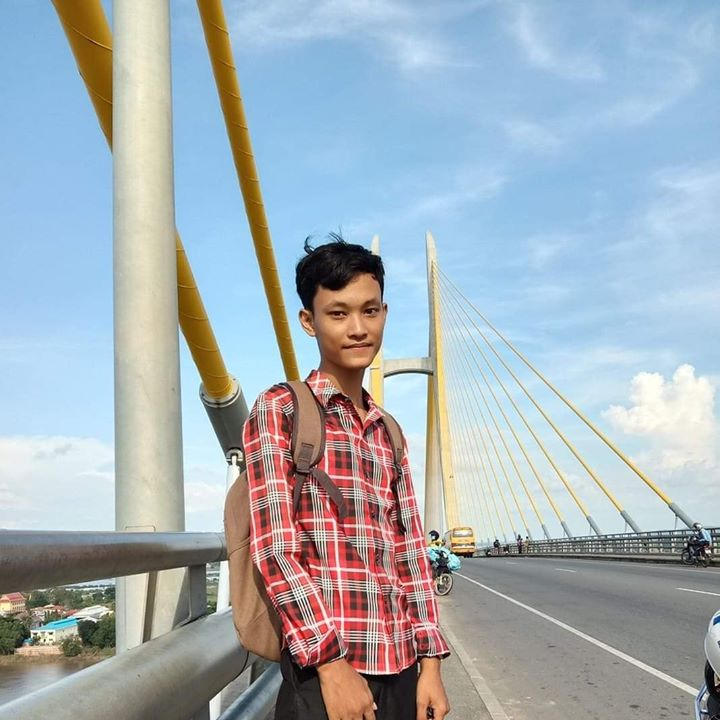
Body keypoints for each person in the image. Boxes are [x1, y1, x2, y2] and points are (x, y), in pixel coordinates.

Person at [243, 237, 451, 720]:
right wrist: (330, 665)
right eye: (338, 314)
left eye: (370, 311)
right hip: (327, 675)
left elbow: (410, 553)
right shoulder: (282, 410)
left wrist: (431, 664)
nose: (358, 329)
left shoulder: (388, 430)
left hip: (402, 668)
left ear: (384, 313)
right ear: (308, 321)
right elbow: (275, 549)